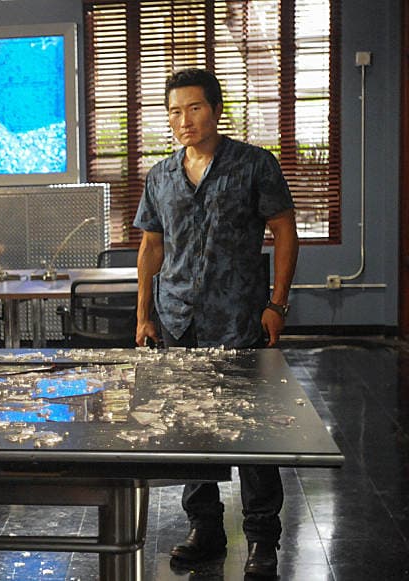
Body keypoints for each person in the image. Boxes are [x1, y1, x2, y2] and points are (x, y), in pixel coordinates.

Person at [134, 68, 299, 577]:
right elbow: (152, 246)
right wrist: (144, 314)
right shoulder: (161, 175)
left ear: (216, 110)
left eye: (194, 108)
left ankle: (262, 539)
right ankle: (204, 529)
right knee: (190, 428)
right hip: (178, 317)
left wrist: (277, 304)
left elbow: (284, 231)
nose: (184, 120)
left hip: (240, 316)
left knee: (252, 430)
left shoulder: (254, 165)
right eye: (174, 112)